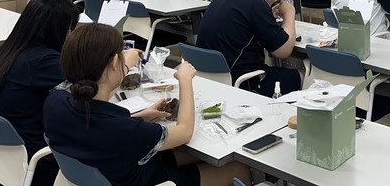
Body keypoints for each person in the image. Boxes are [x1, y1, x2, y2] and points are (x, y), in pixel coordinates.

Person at [43, 24, 249, 186]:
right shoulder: (126, 131)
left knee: (188, 155)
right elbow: (185, 131)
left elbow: (100, 127)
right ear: (114, 63)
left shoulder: (55, 101)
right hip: (148, 180)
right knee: (238, 168)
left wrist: (142, 116)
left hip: (114, 169)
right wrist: (185, 80)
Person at [0, 0, 80, 186]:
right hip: (32, 157)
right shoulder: (43, 61)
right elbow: (90, 83)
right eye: (69, 29)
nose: (70, 35)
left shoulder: (10, 50)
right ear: (56, 29)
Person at [196, 0, 301, 96]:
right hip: (242, 81)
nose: (274, 0)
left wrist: (266, 15)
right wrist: (289, 13)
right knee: (303, 75)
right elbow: (283, 51)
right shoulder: (256, 3)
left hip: (209, 78)